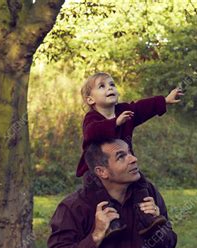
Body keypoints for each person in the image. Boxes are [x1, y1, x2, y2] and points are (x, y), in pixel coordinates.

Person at [48, 138, 178, 248]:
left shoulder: (147, 194)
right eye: (121, 156)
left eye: (130, 152)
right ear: (102, 171)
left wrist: (156, 223)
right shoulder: (74, 208)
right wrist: (96, 236)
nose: (133, 159)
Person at [75, 72, 183, 237]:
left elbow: (141, 108)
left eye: (112, 85)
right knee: (96, 190)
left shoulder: (124, 110)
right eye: (102, 86)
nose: (109, 88)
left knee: (141, 185)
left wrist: (165, 100)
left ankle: (147, 219)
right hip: (96, 169)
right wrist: (115, 123)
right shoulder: (92, 118)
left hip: (125, 166)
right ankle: (112, 223)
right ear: (91, 100)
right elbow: (91, 133)